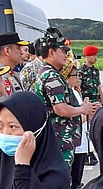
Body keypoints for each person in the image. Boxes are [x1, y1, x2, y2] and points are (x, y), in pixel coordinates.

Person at [34, 33, 98, 166]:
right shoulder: (52, 76)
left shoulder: (46, 72)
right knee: (60, 180)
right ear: (51, 52)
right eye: (63, 51)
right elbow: (61, 109)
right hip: (59, 140)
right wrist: (82, 109)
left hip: (57, 139)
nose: (66, 55)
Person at [66, 66, 90, 189]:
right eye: (75, 76)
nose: (78, 79)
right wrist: (88, 112)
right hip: (74, 143)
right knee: (72, 181)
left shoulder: (74, 91)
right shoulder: (68, 93)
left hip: (81, 142)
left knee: (76, 181)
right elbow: (77, 117)